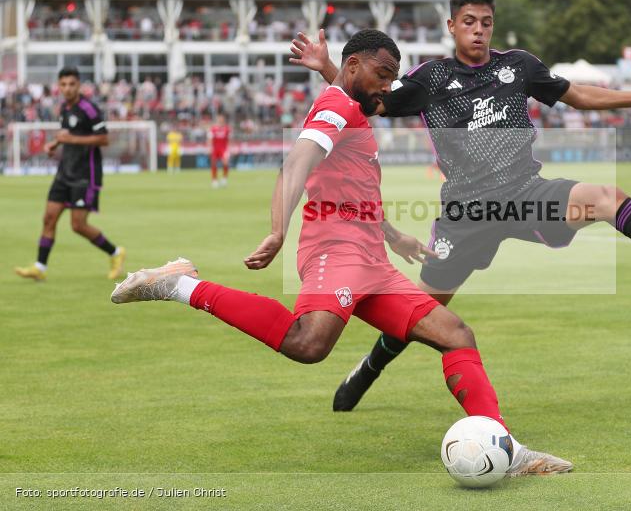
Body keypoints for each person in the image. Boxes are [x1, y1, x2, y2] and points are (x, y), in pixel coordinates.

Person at [110, 30, 570, 476]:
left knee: (455, 334)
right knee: (309, 343)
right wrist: (277, 231)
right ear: (355, 65)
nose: (389, 86)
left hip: (370, 255)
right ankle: (179, 284)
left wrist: (392, 235)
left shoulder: (348, 104)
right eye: (383, 73)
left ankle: (507, 448)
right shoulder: (336, 105)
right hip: (336, 246)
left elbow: (350, 180)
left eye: (393, 77)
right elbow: (299, 161)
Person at [291, 0, 631, 412]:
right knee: (421, 311)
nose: (478, 29)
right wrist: (330, 68)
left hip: (525, 193)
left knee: (605, 197)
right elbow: (368, 101)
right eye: (469, 21)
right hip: (467, 214)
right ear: (451, 26)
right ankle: (369, 369)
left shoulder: (519, 66)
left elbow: (579, 95)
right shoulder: (430, 78)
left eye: (486, 22)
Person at [15, 67, 126, 281]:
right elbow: (68, 134)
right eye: (63, 85)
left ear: (78, 85)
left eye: (71, 84)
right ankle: (40, 267)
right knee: (49, 218)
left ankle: (115, 252)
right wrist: (55, 144)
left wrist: (70, 140)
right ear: (59, 86)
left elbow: (104, 139)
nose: (67, 88)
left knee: (78, 225)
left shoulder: (89, 109)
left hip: (86, 175)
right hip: (65, 171)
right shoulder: (65, 108)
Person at [209, 114, 231, 188]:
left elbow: (229, 140)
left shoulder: (227, 129)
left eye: (222, 119)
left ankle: (224, 179)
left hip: (224, 149)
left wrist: (231, 148)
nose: (221, 121)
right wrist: (209, 147)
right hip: (215, 148)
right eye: (219, 119)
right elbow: (210, 139)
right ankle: (214, 180)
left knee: (225, 163)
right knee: (214, 164)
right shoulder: (213, 129)